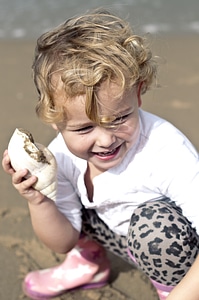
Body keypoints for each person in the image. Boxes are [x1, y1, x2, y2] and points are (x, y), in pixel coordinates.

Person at [2, 8, 199, 300]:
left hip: (169, 244)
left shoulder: (166, 151)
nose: (106, 140)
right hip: (114, 233)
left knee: (155, 229)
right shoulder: (62, 157)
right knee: (66, 202)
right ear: (56, 122)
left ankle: (171, 289)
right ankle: (89, 263)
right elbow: (63, 240)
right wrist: (38, 200)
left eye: (120, 118)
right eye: (85, 129)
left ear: (138, 94)